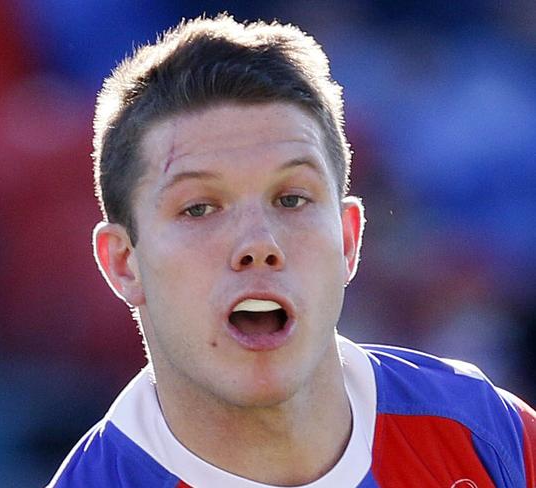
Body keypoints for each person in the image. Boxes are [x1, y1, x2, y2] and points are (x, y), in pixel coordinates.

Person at [47, 13, 535, 488]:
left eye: (292, 199)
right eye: (199, 208)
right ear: (123, 263)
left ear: (347, 239)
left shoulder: (493, 436)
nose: (259, 244)